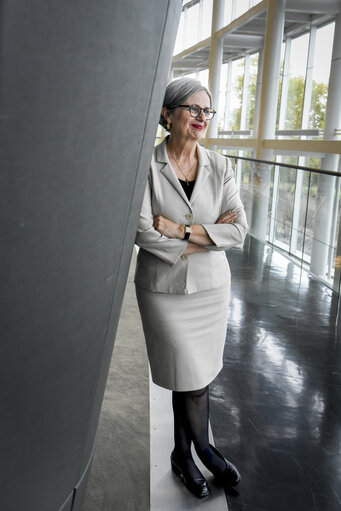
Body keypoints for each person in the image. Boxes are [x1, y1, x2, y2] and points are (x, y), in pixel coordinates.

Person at [134, 77, 248, 498]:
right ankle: (204, 449)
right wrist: (205, 238)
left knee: (195, 377)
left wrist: (181, 230)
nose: (203, 117)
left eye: (208, 110)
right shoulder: (146, 164)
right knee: (189, 377)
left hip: (211, 291)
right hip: (163, 290)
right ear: (167, 113)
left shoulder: (220, 165)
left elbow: (239, 231)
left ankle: (183, 455)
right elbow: (144, 231)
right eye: (193, 108)